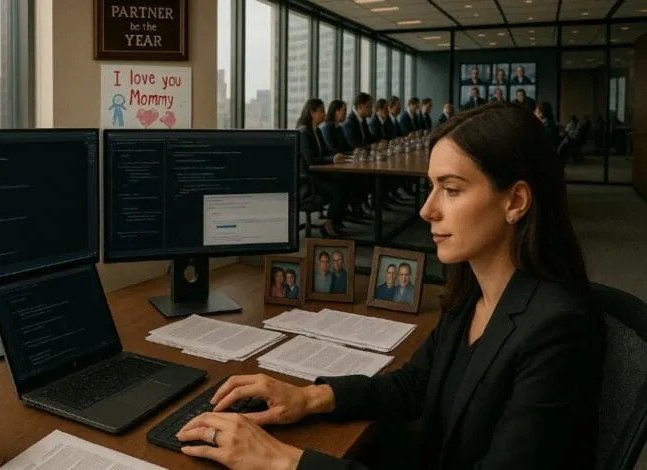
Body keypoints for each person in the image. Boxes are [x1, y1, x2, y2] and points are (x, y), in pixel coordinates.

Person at [175, 102, 603, 470]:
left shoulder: (558, 330)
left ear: (515, 202)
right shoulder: (475, 291)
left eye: (451, 190)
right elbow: (415, 384)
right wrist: (308, 397)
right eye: (431, 188)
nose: (427, 210)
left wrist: (285, 461)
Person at [296, 98, 348, 237]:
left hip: (317, 175)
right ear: (312, 113)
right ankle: (329, 225)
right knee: (338, 188)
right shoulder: (303, 133)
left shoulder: (317, 131)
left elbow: (325, 152)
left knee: (346, 180)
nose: (325, 114)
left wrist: (336, 155)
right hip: (307, 180)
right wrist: (332, 159)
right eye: (322, 111)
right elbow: (311, 161)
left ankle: (334, 222)